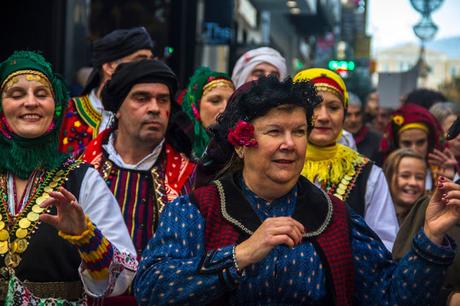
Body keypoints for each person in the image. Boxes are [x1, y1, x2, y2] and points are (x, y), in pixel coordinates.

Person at [133, 76, 458, 305]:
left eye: (300, 131)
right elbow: (152, 290)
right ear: (242, 144)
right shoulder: (197, 209)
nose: (290, 144)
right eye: (275, 131)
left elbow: (390, 298)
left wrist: (429, 236)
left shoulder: (336, 217)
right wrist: (242, 254)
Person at [0, 51, 137, 304]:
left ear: (58, 105)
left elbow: (122, 279)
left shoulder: (82, 179)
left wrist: (86, 236)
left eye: (41, 94)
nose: (30, 102)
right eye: (16, 95)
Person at [293, 68, 398, 250]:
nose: (324, 117)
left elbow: (385, 244)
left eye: (333, 108)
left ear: (344, 113)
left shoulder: (368, 175)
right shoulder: (277, 163)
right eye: (313, 105)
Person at [59, 27, 154, 155]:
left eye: (151, 60)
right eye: (140, 60)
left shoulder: (152, 114)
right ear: (109, 67)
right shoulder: (65, 113)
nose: (150, 68)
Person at [380, 103, 447, 190]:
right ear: (397, 145)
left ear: (429, 143)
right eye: (407, 143)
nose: (413, 149)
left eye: (420, 142)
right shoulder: (383, 177)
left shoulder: (441, 173)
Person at [179, 67, 235, 160]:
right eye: (215, 101)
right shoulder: (177, 149)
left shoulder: (242, 151)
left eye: (232, 102)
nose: (225, 109)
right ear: (195, 107)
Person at [383, 148, 427, 224]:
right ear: (389, 177)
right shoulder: (372, 216)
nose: (413, 182)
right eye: (405, 176)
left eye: (419, 177)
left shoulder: (429, 218)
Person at [344, 92, 381, 160]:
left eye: (357, 114)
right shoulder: (332, 139)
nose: (353, 120)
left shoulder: (376, 140)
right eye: (348, 115)